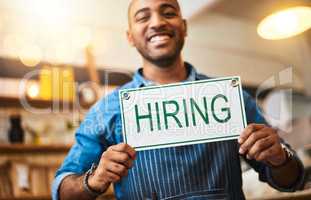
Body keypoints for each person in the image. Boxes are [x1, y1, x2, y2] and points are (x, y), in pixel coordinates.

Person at [52, 0, 305, 199]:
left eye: (168, 13)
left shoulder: (231, 98)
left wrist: (280, 156)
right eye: (143, 17)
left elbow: (291, 180)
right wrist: (93, 180)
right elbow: (62, 190)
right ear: (130, 36)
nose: (157, 22)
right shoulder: (107, 110)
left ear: (184, 27)